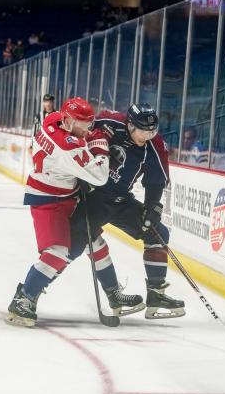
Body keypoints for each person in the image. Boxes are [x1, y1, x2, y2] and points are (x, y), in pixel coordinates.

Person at [68, 103, 185, 320]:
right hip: (93, 197)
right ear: (130, 125)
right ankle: (113, 294)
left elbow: (156, 180)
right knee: (80, 240)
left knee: (157, 232)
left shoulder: (155, 145)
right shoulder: (109, 122)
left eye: (152, 131)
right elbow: (79, 133)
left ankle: (156, 295)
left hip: (121, 200)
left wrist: (152, 209)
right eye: (143, 130)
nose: (148, 135)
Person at [6, 97, 110, 327]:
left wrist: (84, 138)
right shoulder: (68, 147)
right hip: (48, 200)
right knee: (57, 253)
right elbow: (100, 176)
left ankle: (113, 293)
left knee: (81, 245)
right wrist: (100, 148)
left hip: (62, 194)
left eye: (89, 123)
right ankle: (23, 298)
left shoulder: (51, 120)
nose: (87, 128)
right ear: (68, 120)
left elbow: (73, 140)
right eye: (82, 124)